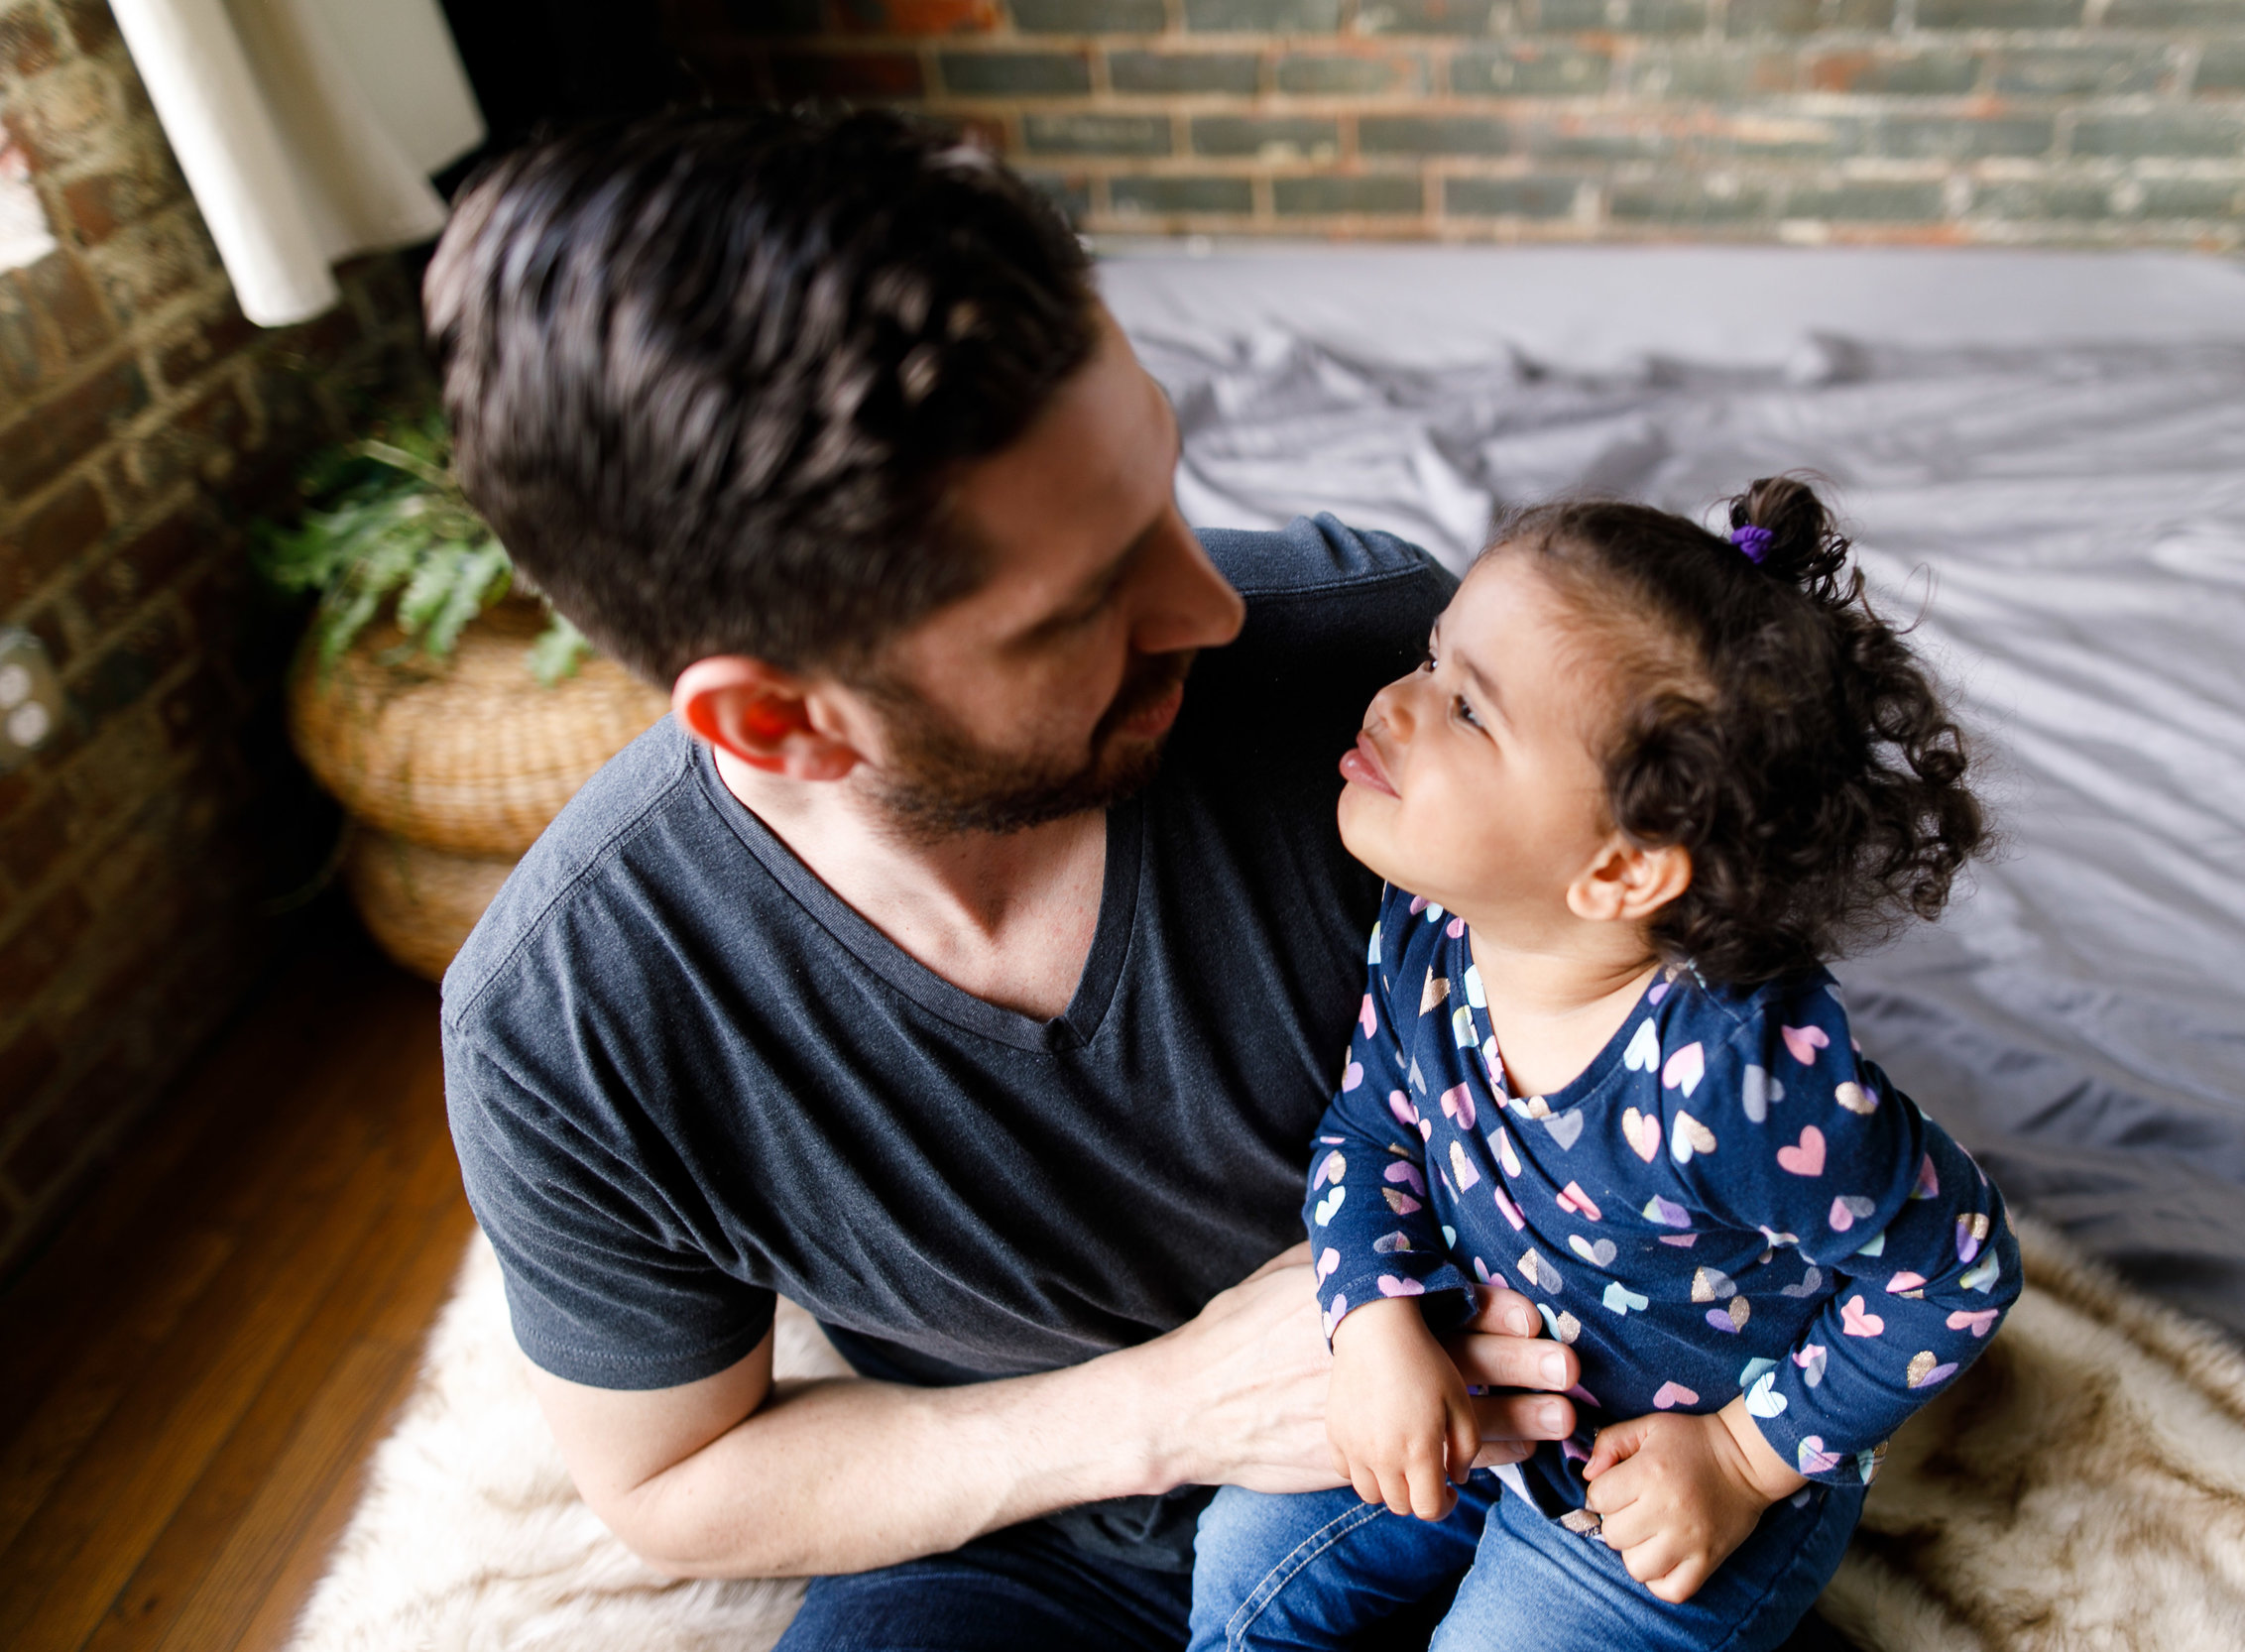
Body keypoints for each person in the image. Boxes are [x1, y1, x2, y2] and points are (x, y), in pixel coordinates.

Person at [426, 106, 1587, 1651]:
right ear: (777, 717)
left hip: (1491, 1478)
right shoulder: (567, 1022)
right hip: (1029, 1551)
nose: (1208, 605)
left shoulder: (1380, 685)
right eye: (1084, 605)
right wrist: (1164, 1414)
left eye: (1160, 485)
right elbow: (674, 1472)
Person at [1187, 490, 2022, 1651]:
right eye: (1430, 663)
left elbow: (1958, 1270)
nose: (1392, 704)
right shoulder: (1433, 923)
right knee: (1238, 1561)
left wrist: (1744, 1456)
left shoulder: (1739, 1079)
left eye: (1467, 709)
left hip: (1667, 1474)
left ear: (1622, 872)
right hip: (1477, 1388)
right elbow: (1372, 1126)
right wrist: (1373, 1318)